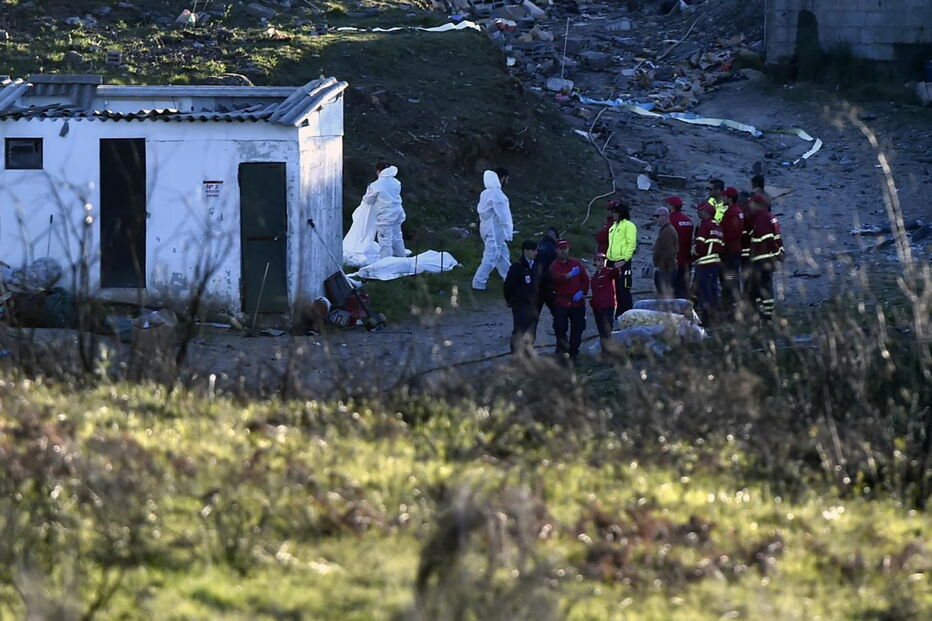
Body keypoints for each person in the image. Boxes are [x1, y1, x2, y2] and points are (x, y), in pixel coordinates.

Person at [472, 168, 514, 290]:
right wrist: (508, 231)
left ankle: (510, 279)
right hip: (494, 230)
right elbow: (504, 215)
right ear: (502, 178)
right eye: (506, 178)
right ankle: (478, 283)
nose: (507, 181)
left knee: (503, 256)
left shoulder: (485, 193)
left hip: (486, 228)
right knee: (491, 257)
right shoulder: (497, 195)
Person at [549, 239, 589, 363]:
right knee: (560, 329)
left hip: (578, 303)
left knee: (578, 329)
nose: (563, 251)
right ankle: (561, 352)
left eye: (565, 248)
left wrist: (582, 291)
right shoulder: (554, 266)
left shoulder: (576, 263)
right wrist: (569, 275)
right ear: (556, 250)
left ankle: (573, 354)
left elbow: (585, 279)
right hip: (562, 303)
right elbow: (557, 277)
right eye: (561, 249)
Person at [748, 193, 785, 321]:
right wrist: (780, 253)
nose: (750, 205)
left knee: (763, 288)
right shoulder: (770, 217)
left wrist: (776, 253)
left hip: (762, 259)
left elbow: (768, 238)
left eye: (752, 203)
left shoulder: (762, 218)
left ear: (758, 204)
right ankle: (764, 313)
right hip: (767, 258)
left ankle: (766, 315)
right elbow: (778, 239)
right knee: (762, 287)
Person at [503, 240, 544, 354]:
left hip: (534, 304)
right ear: (526, 251)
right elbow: (508, 285)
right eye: (534, 250)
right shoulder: (517, 267)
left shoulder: (535, 265)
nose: (536, 253)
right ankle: (516, 354)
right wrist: (509, 300)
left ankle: (527, 351)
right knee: (519, 330)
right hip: (521, 304)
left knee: (531, 328)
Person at [361, 161, 407, 259]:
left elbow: (368, 200)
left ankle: (386, 263)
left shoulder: (376, 184)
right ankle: (401, 259)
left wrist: (369, 189)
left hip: (386, 216)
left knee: (385, 240)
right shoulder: (396, 182)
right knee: (397, 238)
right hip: (398, 213)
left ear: (378, 171)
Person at [693, 202, 723, 324]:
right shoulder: (718, 226)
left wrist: (695, 255)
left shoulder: (705, 225)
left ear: (705, 212)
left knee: (704, 293)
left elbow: (700, 244)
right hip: (715, 263)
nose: (697, 212)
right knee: (712, 291)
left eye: (699, 210)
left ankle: (707, 320)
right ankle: (714, 318)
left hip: (704, 264)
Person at [605, 202, 637, 317]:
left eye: (615, 212)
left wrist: (625, 259)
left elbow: (631, 244)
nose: (612, 214)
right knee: (613, 289)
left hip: (622, 262)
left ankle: (628, 313)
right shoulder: (613, 226)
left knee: (623, 288)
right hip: (611, 261)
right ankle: (616, 312)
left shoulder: (629, 226)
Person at [720, 187, 745, 317]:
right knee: (733, 279)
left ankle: (731, 310)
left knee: (729, 280)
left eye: (724, 196)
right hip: (734, 251)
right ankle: (733, 307)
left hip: (730, 252)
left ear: (729, 198)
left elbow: (728, 233)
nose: (722, 198)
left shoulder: (731, 212)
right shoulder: (738, 211)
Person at [590, 252, 618, 354]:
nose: (601, 262)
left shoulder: (609, 272)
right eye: (599, 260)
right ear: (595, 262)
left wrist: (617, 266)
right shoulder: (594, 278)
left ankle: (609, 354)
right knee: (601, 331)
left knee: (607, 331)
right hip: (598, 308)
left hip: (608, 307)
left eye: (603, 260)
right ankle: (604, 352)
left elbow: (615, 273)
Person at [665, 196, 693, 300]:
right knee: (683, 289)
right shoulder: (688, 221)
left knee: (672, 291)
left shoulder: (670, 220)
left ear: (671, 206)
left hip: (674, 261)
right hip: (686, 259)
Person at [651, 207, 679, 298]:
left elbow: (668, 252)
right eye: (654, 216)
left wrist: (661, 266)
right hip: (665, 269)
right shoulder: (665, 230)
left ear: (665, 217)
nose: (655, 218)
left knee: (664, 297)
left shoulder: (667, 231)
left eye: (657, 216)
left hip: (666, 270)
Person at [536, 227, 560, 319]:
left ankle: (528, 332)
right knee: (557, 313)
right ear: (556, 237)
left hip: (536, 285)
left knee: (533, 315)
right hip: (549, 287)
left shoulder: (538, 246)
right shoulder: (554, 250)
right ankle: (560, 332)